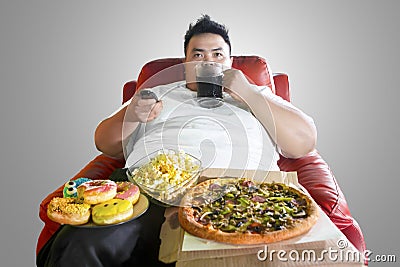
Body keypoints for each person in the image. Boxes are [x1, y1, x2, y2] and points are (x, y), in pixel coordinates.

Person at [37, 15, 317, 267]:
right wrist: (133, 114)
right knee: (78, 245)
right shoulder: (158, 92)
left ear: (230, 63)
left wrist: (248, 93)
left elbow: (304, 143)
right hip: (149, 192)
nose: (208, 61)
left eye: (218, 55)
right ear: (185, 64)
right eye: (198, 54)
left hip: (240, 193)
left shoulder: (256, 93)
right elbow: (103, 142)